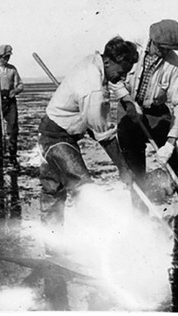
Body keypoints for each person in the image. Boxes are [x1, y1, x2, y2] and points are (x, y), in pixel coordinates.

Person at [37, 36, 138, 233]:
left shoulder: (96, 61)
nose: (123, 78)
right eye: (121, 72)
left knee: (53, 190)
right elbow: (104, 135)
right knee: (83, 187)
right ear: (108, 61)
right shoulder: (93, 88)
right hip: (55, 138)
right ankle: (90, 241)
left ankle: (53, 243)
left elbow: (94, 122)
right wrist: (123, 168)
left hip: (53, 131)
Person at [117, 19, 178, 221]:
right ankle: (140, 222)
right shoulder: (131, 46)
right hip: (127, 111)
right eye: (162, 48)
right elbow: (114, 79)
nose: (164, 53)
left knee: (177, 165)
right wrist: (128, 101)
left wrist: (170, 143)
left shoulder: (175, 64)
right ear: (152, 40)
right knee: (135, 172)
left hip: (156, 113)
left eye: (169, 49)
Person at [0, 44, 24, 167]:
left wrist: (15, 91)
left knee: (13, 129)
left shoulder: (12, 69)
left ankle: (12, 155)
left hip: (10, 102)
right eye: (5, 57)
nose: (7, 59)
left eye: (8, 57)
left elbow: (20, 85)